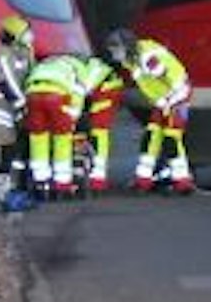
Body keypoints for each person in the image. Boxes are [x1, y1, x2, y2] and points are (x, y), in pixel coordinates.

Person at [107, 28, 195, 194]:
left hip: (176, 98)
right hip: (162, 101)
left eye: (115, 49)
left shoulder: (147, 58)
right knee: (151, 137)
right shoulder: (132, 60)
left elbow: (173, 80)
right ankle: (143, 179)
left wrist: (170, 102)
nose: (113, 54)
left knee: (171, 139)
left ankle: (183, 181)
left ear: (126, 47)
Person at [21, 54, 91, 198]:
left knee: (38, 138)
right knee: (62, 139)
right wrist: (74, 115)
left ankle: (41, 182)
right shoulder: (79, 68)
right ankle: (62, 183)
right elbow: (78, 91)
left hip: (33, 95)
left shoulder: (46, 64)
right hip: (57, 96)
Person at [0, 15, 34, 184]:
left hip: (14, 108)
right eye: (26, 33)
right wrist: (21, 101)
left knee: (14, 145)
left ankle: (13, 181)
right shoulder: (1, 55)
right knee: (4, 144)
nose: (30, 36)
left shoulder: (25, 53)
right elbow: (6, 81)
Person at [81, 54, 127, 193]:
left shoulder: (93, 67)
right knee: (99, 131)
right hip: (107, 91)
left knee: (98, 131)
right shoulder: (96, 66)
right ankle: (98, 176)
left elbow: (86, 87)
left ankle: (98, 176)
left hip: (104, 93)